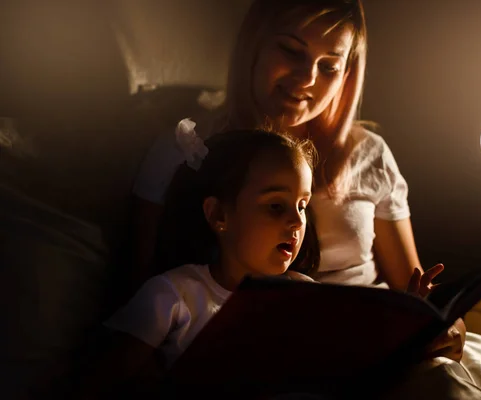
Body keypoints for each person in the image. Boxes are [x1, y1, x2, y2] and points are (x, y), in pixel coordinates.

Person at [131, 0, 466, 363]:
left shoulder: (369, 154)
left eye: (329, 66)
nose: (307, 78)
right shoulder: (188, 147)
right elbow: (135, 288)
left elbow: (416, 289)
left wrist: (447, 329)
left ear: (347, 75)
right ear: (253, 46)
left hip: (366, 345)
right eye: (291, 50)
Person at [76, 128, 318, 396]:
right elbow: (95, 383)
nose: (296, 222)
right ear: (218, 215)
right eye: (275, 205)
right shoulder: (174, 296)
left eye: (302, 205)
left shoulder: (307, 297)